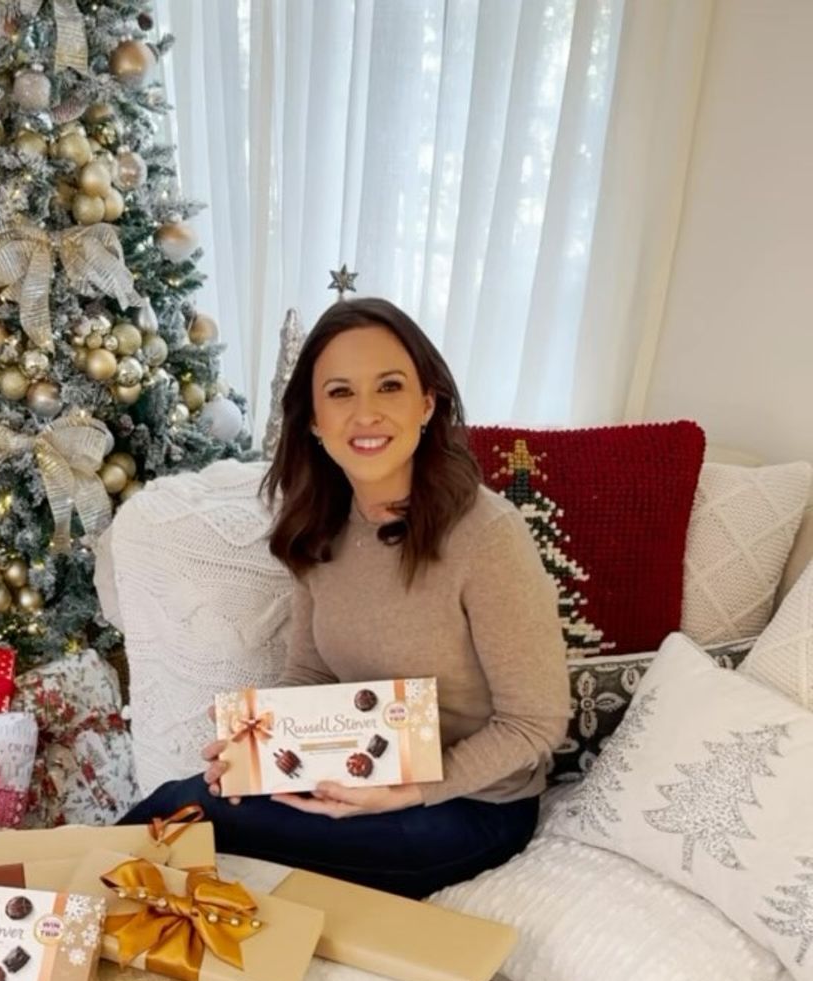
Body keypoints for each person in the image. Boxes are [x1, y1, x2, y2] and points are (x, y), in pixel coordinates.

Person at [119, 297, 570, 898]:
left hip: (470, 806)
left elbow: (534, 723)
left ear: (427, 403)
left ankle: (61, 916)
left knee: (194, 813)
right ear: (312, 419)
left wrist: (405, 791)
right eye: (340, 393)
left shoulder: (487, 535)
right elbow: (310, 672)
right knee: (192, 801)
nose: (366, 414)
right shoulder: (321, 526)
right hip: (363, 767)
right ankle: (61, 921)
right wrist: (256, 743)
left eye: (389, 387)